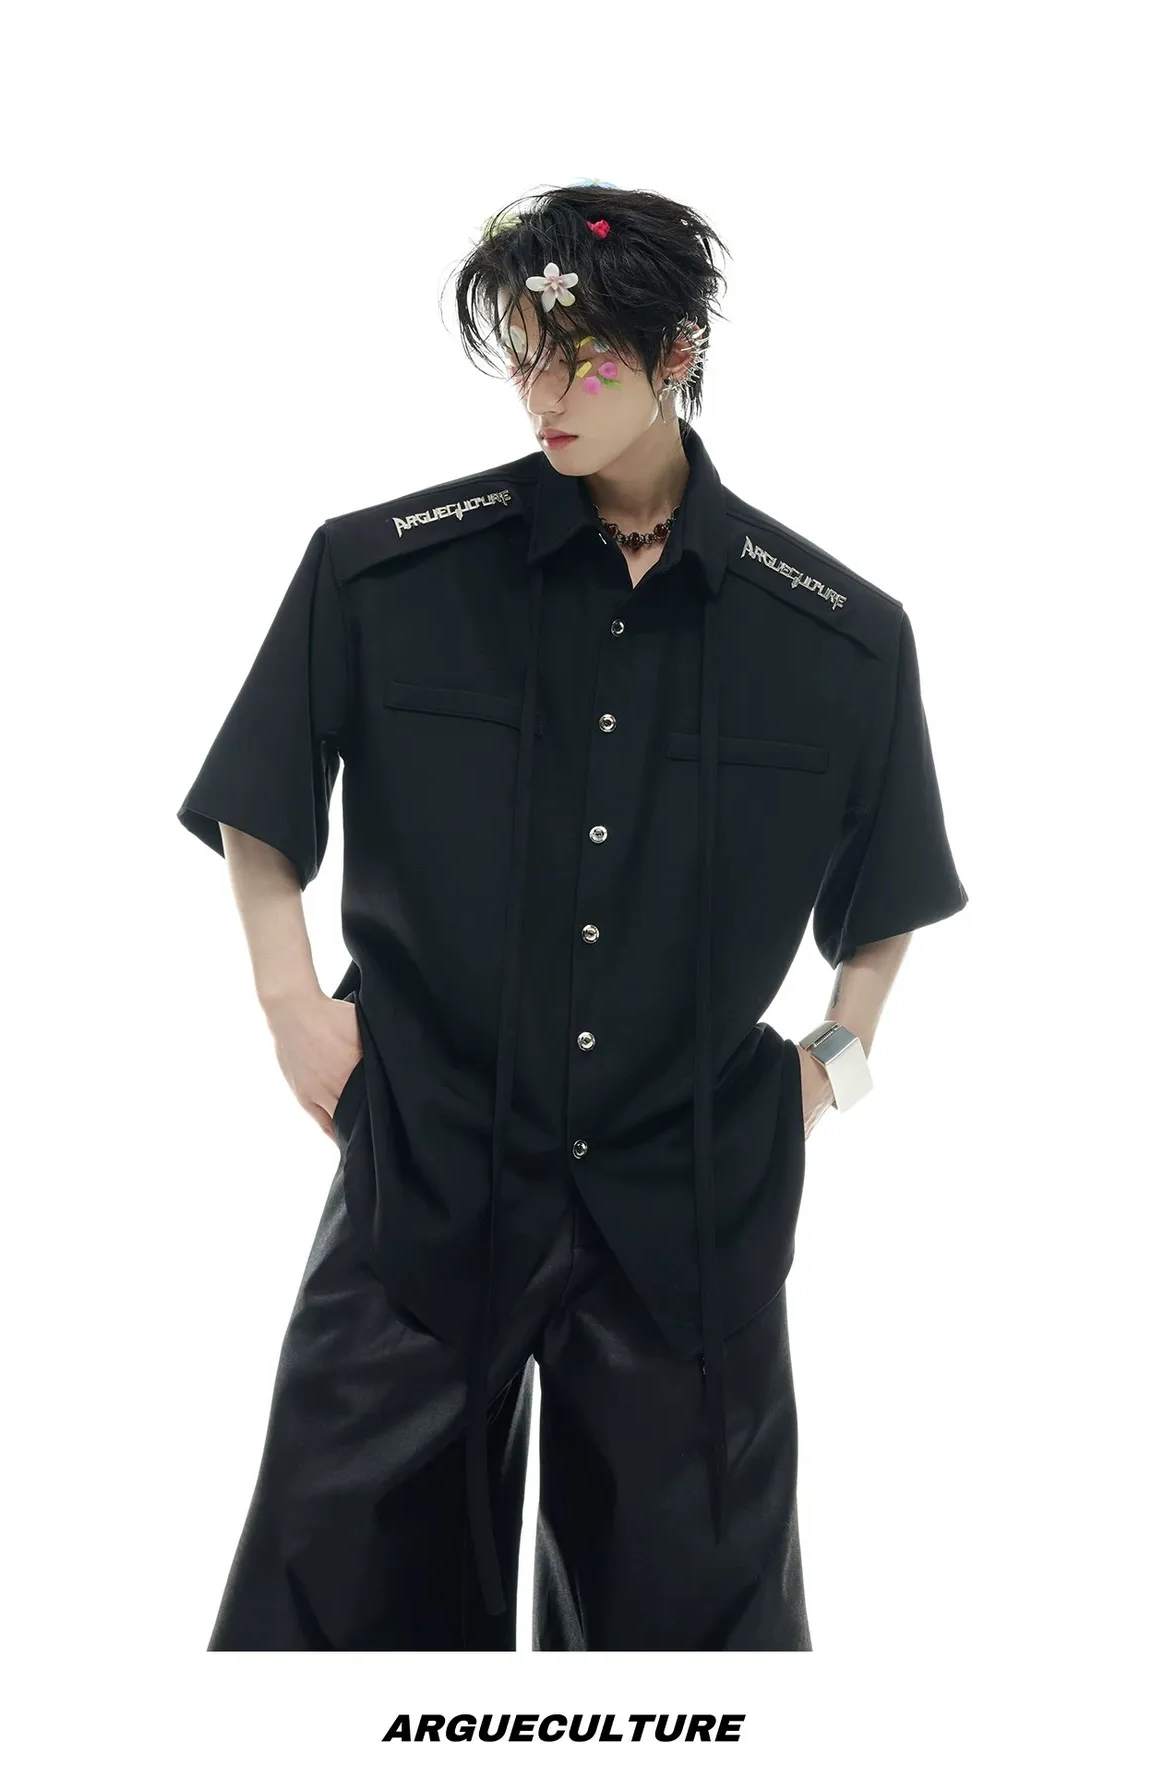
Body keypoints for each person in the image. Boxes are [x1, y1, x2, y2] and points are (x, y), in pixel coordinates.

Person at [177, 182, 968, 1651]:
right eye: (524, 357)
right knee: (329, 1615)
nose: (542, 396)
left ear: (675, 354)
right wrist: (295, 1013)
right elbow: (262, 804)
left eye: (579, 362)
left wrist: (833, 1069)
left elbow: (890, 900)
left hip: (692, 1206)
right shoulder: (384, 569)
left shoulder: (840, 637)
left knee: (700, 1660)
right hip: (428, 1169)